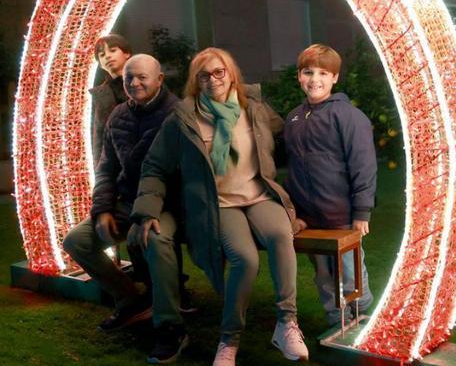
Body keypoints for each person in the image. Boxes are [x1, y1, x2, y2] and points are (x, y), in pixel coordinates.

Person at [133, 48, 308, 365]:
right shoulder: (183, 120)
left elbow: (291, 134)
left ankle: (286, 324)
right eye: (204, 75)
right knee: (245, 259)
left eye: (219, 72)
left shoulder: (254, 110)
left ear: (231, 74)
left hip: (259, 195)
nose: (213, 80)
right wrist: (146, 211)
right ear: (196, 82)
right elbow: (155, 166)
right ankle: (229, 340)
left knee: (283, 236)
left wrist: (325, 121)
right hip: (219, 205)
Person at [63, 55, 177, 336]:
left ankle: (170, 324)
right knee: (77, 241)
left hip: (167, 202)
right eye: (129, 78)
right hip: (126, 201)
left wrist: (145, 213)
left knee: (153, 239)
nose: (134, 83)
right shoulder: (118, 115)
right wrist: (102, 209)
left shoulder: (177, 114)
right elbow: (106, 168)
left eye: (142, 77)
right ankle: (131, 300)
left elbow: (177, 174)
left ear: (159, 79)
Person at [283, 44, 376, 327]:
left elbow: (363, 165)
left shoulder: (349, 117)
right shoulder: (294, 118)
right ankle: (336, 317)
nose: (315, 79)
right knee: (323, 273)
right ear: (299, 76)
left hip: (342, 216)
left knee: (350, 271)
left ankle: (362, 316)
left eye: (323, 73)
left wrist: (362, 211)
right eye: (308, 72)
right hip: (310, 219)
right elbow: (292, 168)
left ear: (335, 78)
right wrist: (294, 211)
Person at [90, 34, 132, 166]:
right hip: (116, 167)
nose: (107, 56)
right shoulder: (100, 95)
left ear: (127, 53)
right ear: (100, 65)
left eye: (113, 50)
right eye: (102, 55)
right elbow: (99, 137)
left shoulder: (145, 83)